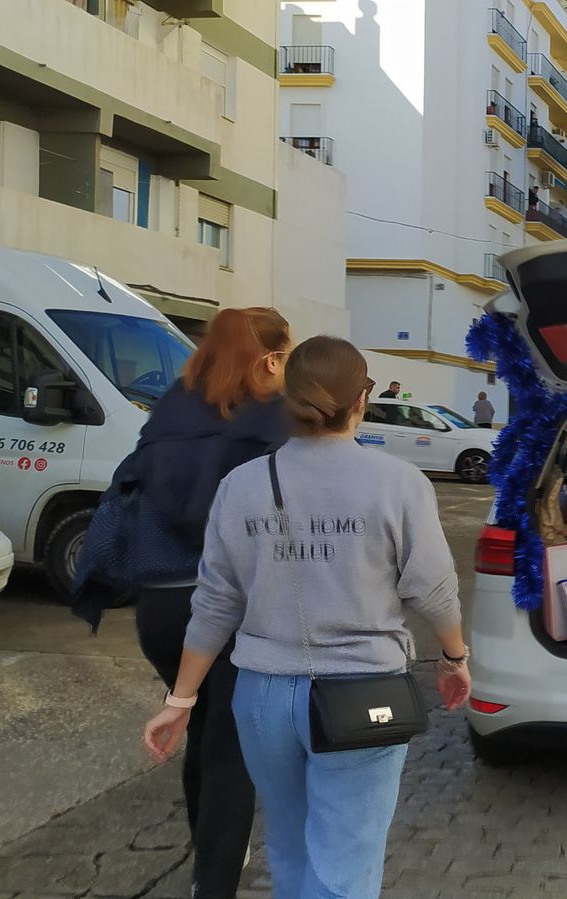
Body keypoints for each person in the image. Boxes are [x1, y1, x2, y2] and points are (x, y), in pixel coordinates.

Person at [143, 336, 471, 899]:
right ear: (361, 400)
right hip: (364, 695)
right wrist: (453, 657)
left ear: (288, 399)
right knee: (346, 864)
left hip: (263, 697)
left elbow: (216, 602)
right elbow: (433, 588)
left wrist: (181, 700)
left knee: (289, 849)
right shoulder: (399, 484)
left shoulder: (241, 485)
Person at [71, 307, 291, 898]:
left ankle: (209, 858)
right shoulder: (274, 420)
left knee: (206, 730)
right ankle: (214, 883)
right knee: (230, 749)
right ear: (269, 359)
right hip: (230, 609)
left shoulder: (170, 409)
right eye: (286, 358)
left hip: (161, 612)